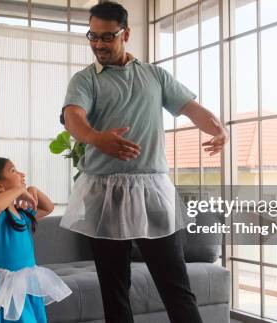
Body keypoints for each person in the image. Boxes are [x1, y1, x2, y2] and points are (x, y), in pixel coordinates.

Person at [59, 2, 229, 323]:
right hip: (104, 194)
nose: (98, 44)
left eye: (107, 37)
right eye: (92, 36)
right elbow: (73, 118)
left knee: (175, 285)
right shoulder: (85, 80)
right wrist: (96, 138)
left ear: (126, 33)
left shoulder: (155, 75)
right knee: (114, 290)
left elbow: (193, 109)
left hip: (153, 192)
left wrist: (218, 128)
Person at [0, 157, 72, 323]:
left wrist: (32, 189)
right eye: (13, 171)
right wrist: (19, 190)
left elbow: (47, 207)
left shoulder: (21, 214)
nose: (21, 174)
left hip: (27, 281)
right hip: (7, 285)